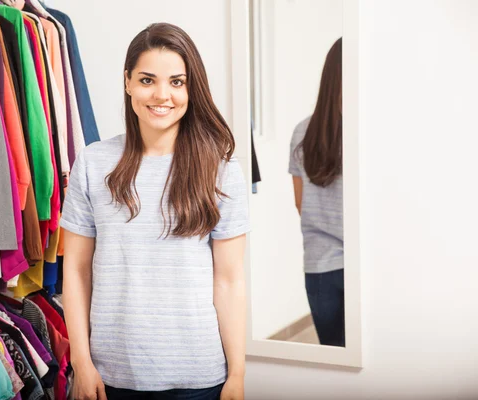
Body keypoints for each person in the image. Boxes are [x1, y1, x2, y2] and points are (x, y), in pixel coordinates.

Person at [60, 23, 250, 400]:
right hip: (110, 376)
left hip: (199, 377)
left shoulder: (222, 170)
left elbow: (228, 281)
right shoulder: (93, 163)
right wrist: (82, 363)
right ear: (128, 81)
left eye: (177, 82)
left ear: (191, 88)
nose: (162, 95)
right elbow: (77, 272)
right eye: (148, 80)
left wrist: (238, 375)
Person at [289, 38, 345, 347]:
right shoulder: (367, 130)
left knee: (334, 359)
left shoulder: (302, 130)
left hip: (319, 265)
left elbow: (300, 202)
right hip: (367, 266)